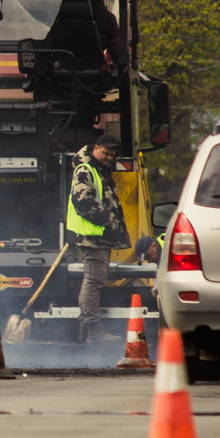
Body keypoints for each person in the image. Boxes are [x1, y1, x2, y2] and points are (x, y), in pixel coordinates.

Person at [67, 133, 129, 343]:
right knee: (93, 281)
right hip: (93, 238)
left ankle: (86, 334)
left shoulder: (97, 170)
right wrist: (109, 222)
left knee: (93, 281)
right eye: (105, 153)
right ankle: (93, 329)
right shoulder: (86, 170)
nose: (109, 158)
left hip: (97, 237)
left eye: (112, 155)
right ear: (95, 148)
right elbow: (83, 203)